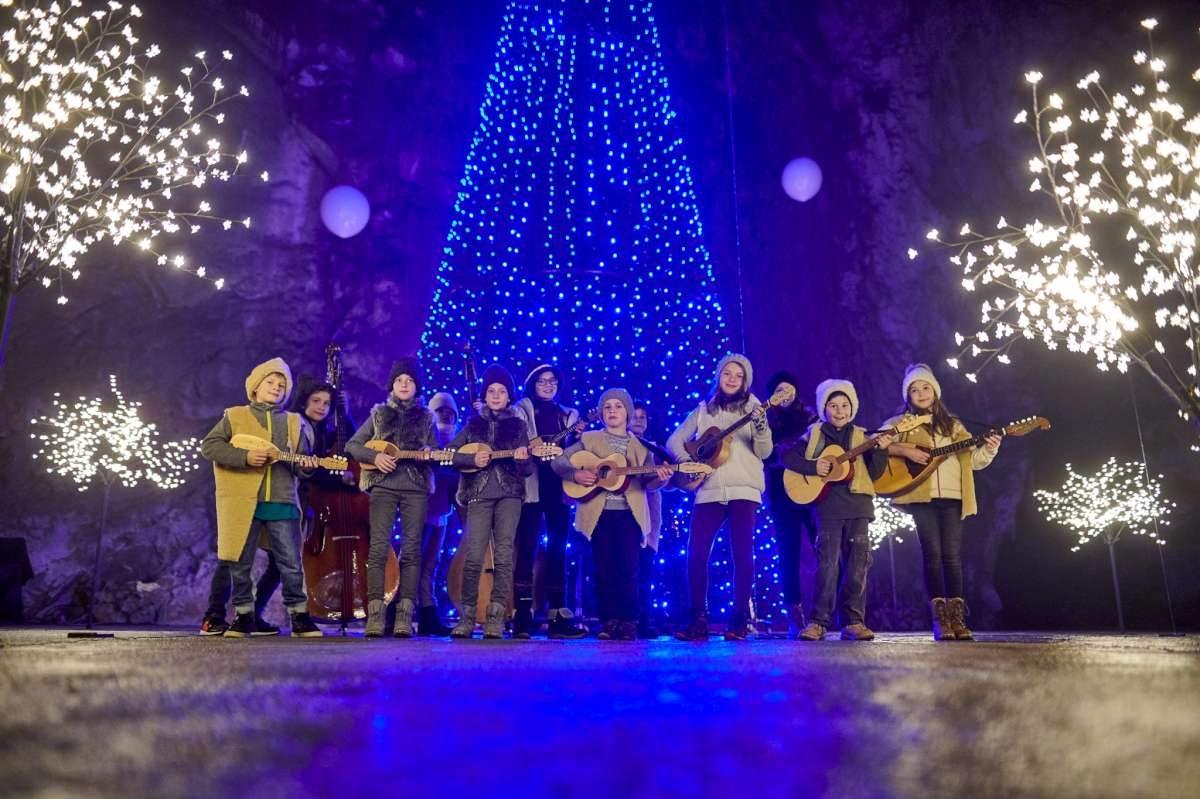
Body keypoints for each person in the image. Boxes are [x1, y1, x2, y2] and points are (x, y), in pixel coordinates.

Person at [200, 357, 322, 638]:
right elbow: (210, 446)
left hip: (283, 500)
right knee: (240, 563)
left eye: (282, 385)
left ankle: (299, 616)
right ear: (255, 386)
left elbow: (300, 462)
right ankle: (243, 616)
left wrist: (305, 466)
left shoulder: (293, 422)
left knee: (290, 562)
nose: (277, 388)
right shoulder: (235, 416)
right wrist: (244, 457)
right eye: (271, 382)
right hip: (243, 503)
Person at [884, 364, 1000, 641]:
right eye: (914, 389)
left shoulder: (954, 426)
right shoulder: (903, 424)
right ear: (907, 396)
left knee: (952, 556)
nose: (921, 393)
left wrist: (990, 449)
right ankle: (939, 619)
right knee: (932, 556)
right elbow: (878, 442)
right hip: (920, 496)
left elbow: (972, 461)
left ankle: (956, 617)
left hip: (953, 495)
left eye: (925, 387)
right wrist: (906, 450)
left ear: (935, 391)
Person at [667, 354, 772, 642]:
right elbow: (674, 440)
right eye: (727, 373)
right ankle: (698, 619)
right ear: (719, 376)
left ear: (745, 381)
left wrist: (762, 427)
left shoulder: (754, 407)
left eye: (738, 375)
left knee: (742, 554)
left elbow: (764, 451)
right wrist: (689, 462)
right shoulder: (703, 409)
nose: (732, 379)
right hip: (709, 490)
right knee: (697, 553)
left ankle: (739, 620)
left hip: (743, 489)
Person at [554, 389, 672, 640]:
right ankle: (609, 621)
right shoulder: (589, 439)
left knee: (628, 568)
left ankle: (628, 620)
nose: (612, 411)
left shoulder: (641, 446)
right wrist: (575, 475)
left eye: (618, 406)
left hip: (629, 515)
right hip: (599, 514)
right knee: (604, 568)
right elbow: (559, 461)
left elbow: (648, 483)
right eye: (607, 407)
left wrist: (660, 479)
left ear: (627, 413)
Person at [781, 380, 892, 642]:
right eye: (833, 405)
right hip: (828, 509)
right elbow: (787, 457)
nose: (839, 410)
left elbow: (874, 474)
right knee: (827, 566)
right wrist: (813, 467)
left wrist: (882, 451)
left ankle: (853, 621)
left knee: (857, 566)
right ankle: (818, 622)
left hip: (859, 506)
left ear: (852, 408)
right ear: (824, 408)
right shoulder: (814, 434)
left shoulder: (863, 437)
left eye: (844, 405)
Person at [345, 358, 437, 638]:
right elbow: (353, 445)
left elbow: (435, 450)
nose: (404, 384)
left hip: (415, 488)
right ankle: (376, 615)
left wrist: (429, 453)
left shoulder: (427, 418)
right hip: (383, 486)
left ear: (417, 385)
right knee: (378, 549)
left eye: (409, 380)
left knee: (411, 551)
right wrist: (375, 457)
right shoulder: (378, 414)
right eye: (399, 380)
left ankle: (404, 617)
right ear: (392, 385)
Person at [448, 365, 534, 639]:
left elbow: (527, 469)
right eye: (491, 391)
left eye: (502, 391)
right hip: (479, 494)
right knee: (474, 554)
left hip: (510, 495)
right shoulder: (473, 425)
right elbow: (449, 453)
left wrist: (523, 459)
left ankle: (496, 616)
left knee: (504, 553)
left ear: (509, 397)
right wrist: (470, 459)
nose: (496, 396)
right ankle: (469, 616)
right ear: (484, 395)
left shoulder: (518, 426)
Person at [512, 363, 586, 638]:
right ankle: (522, 615)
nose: (548, 385)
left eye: (552, 380)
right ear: (532, 383)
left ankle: (558, 615)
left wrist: (577, 439)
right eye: (542, 380)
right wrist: (530, 443)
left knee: (557, 549)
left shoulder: (566, 414)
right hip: (530, 489)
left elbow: (569, 453)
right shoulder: (521, 409)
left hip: (557, 487)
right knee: (527, 549)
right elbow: (515, 437)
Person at [762, 371, 819, 638]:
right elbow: (765, 453)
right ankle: (794, 612)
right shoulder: (764, 419)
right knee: (788, 553)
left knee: (825, 548)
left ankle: (825, 611)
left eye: (789, 388)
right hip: (780, 493)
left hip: (812, 489)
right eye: (779, 390)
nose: (785, 393)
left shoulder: (811, 417)